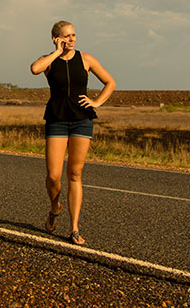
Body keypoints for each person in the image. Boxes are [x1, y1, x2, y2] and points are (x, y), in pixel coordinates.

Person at [29, 20, 116, 245]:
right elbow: (34, 69)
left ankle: (74, 228)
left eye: (73, 35)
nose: (71, 39)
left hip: (81, 121)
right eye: (66, 36)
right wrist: (57, 52)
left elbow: (110, 82)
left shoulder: (85, 59)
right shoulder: (49, 60)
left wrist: (96, 102)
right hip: (57, 120)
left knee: (75, 175)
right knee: (53, 176)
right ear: (56, 38)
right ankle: (54, 206)